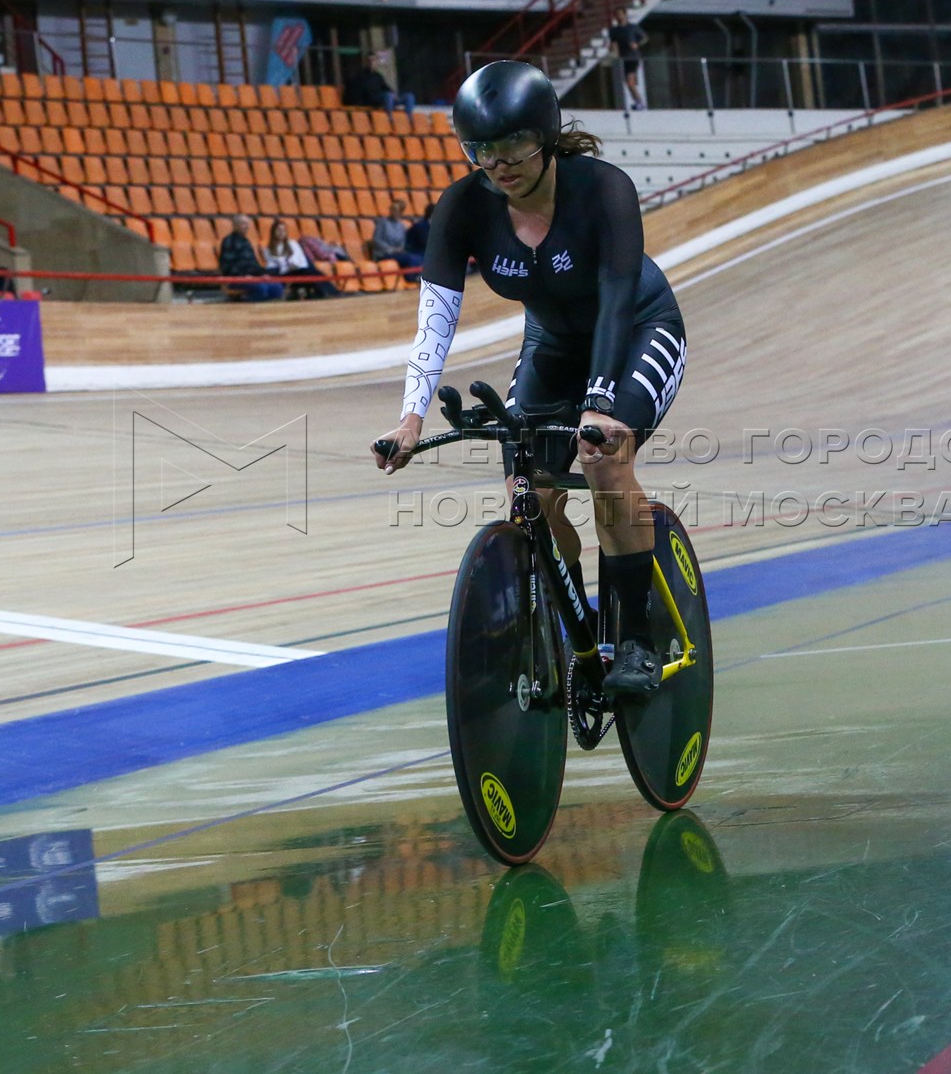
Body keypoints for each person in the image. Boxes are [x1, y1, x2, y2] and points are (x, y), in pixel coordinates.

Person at [370, 61, 687, 695]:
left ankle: (636, 643)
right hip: (549, 344)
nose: (499, 162)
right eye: (480, 148)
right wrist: (410, 420)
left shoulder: (603, 189)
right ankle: (575, 627)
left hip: (634, 330)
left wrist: (599, 409)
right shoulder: (463, 206)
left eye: (513, 143)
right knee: (528, 489)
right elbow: (434, 319)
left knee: (603, 460)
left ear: (545, 137)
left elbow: (617, 296)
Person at [266, 219, 336, 300]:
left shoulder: (292, 243)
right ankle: (324, 293)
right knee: (309, 272)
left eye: (283, 230)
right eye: (279, 230)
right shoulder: (269, 249)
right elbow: (272, 266)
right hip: (284, 272)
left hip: (297, 269)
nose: (281, 232)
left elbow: (301, 260)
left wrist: (294, 264)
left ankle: (330, 292)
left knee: (312, 271)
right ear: (273, 232)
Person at [219, 214, 282, 301]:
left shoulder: (247, 242)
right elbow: (227, 266)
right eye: (243, 224)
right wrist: (243, 276)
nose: (246, 226)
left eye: (247, 224)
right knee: (261, 289)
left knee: (277, 288)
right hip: (236, 278)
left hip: (252, 277)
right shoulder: (228, 241)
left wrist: (262, 274)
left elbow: (254, 264)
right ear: (235, 226)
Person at [342, 52, 415, 119]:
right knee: (388, 96)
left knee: (409, 97)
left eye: (373, 60)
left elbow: (385, 87)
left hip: (383, 99)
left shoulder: (378, 76)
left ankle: (408, 118)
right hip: (371, 100)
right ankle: (389, 118)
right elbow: (362, 91)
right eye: (369, 61)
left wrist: (393, 94)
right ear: (366, 62)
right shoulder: (361, 76)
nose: (371, 63)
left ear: (376, 62)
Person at [608, 8, 649, 111]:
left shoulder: (632, 27)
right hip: (623, 58)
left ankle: (640, 103)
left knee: (630, 81)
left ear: (625, 15)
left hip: (633, 57)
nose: (618, 17)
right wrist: (612, 49)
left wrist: (637, 44)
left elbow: (644, 38)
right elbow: (613, 44)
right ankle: (637, 102)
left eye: (620, 14)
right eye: (616, 15)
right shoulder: (614, 30)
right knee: (628, 82)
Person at [371, 198, 424, 273]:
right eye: (391, 208)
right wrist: (391, 249)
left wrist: (399, 249)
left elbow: (402, 243)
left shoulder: (401, 226)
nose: (392, 211)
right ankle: (410, 278)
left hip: (396, 254)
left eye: (395, 209)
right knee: (410, 259)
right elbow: (376, 240)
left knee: (418, 257)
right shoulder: (382, 223)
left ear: (400, 212)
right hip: (383, 253)